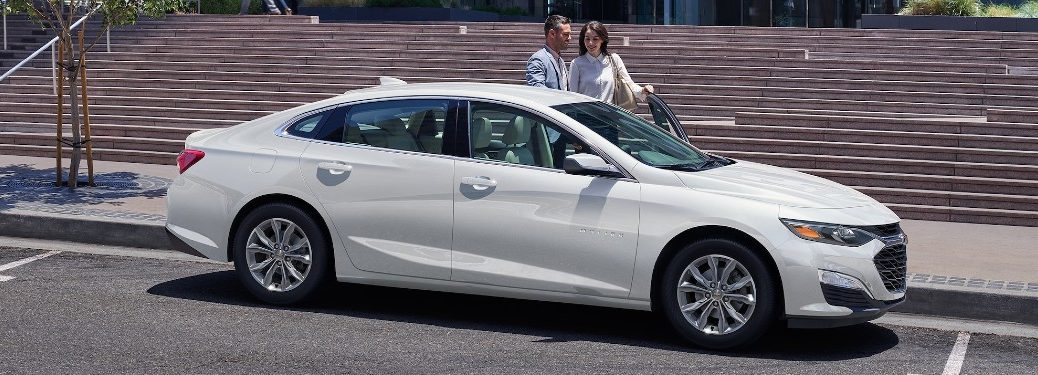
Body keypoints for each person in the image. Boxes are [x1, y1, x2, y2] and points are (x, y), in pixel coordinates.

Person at [568, 21, 654, 107]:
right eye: (587, 39)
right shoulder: (576, 64)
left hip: (610, 116)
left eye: (595, 39)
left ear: (602, 40)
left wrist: (643, 90)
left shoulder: (614, 59)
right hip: (587, 116)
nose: (590, 43)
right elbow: (572, 95)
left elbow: (629, 84)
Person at [526, 15, 572, 90]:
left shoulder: (560, 60)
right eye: (566, 34)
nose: (569, 38)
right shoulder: (538, 60)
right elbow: (537, 90)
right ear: (552, 34)